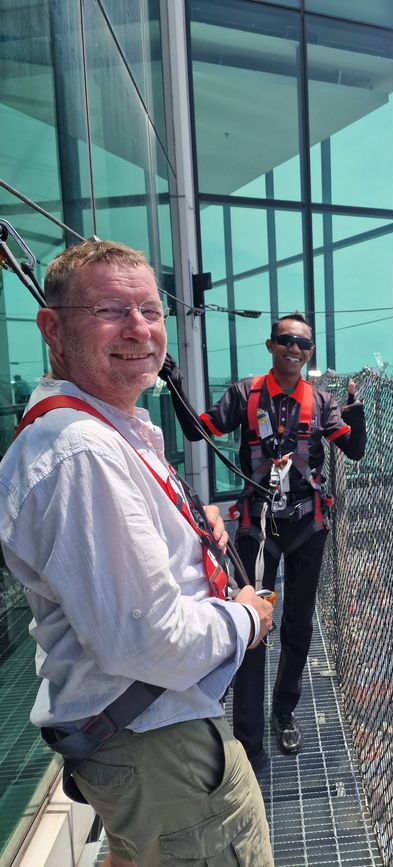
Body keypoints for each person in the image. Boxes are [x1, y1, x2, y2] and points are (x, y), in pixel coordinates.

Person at [0, 240, 275, 867]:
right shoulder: (84, 454)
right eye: (108, 309)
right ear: (53, 327)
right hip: (160, 744)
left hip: (132, 743)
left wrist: (187, 535)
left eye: (150, 311)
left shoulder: (104, 429)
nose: (138, 330)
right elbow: (145, 640)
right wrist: (248, 619)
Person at [160, 312, 366, 770]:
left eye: (303, 344)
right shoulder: (245, 394)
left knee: (298, 625)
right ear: (271, 345)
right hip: (257, 525)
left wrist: (356, 414)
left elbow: (352, 448)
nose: (295, 349)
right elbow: (200, 430)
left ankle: (284, 713)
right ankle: (249, 741)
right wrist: (173, 383)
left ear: (310, 352)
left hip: (307, 527)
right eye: (286, 340)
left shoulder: (323, 401)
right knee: (251, 625)